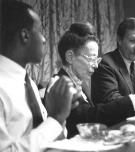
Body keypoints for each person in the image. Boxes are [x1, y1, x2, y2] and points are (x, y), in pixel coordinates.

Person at [49, 22, 135, 138]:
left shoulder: (77, 84)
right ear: (70, 57)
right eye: (91, 58)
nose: (96, 66)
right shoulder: (59, 85)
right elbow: (89, 117)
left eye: (96, 59)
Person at [0, 1, 77, 151]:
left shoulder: (29, 84)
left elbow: (46, 136)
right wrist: (56, 119)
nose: (43, 39)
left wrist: (60, 112)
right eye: (39, 30)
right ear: (25, 36)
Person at [91, 17, 135, 111]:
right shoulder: (105, 64)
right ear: (119, 40)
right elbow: (110, 101)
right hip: (118, 123)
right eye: (132, 41)